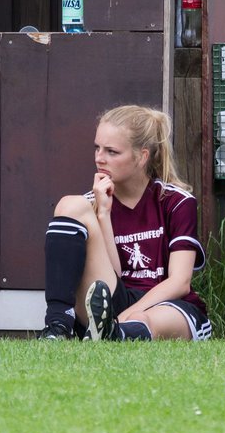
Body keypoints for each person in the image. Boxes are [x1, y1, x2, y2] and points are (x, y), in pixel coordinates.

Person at [38, 105, 210, 342]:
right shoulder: (94, 203)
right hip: (113, 300)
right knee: (70, 205)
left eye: (112, 152)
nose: (100, 158)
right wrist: (103, 214)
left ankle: (116, 332)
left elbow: (180, 282)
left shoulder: (176, 201)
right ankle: (58, 327)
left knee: (145, 320)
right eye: (97, 148)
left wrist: (127, 315)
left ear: (142, 156)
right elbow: (115, 275)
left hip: (166, 304)